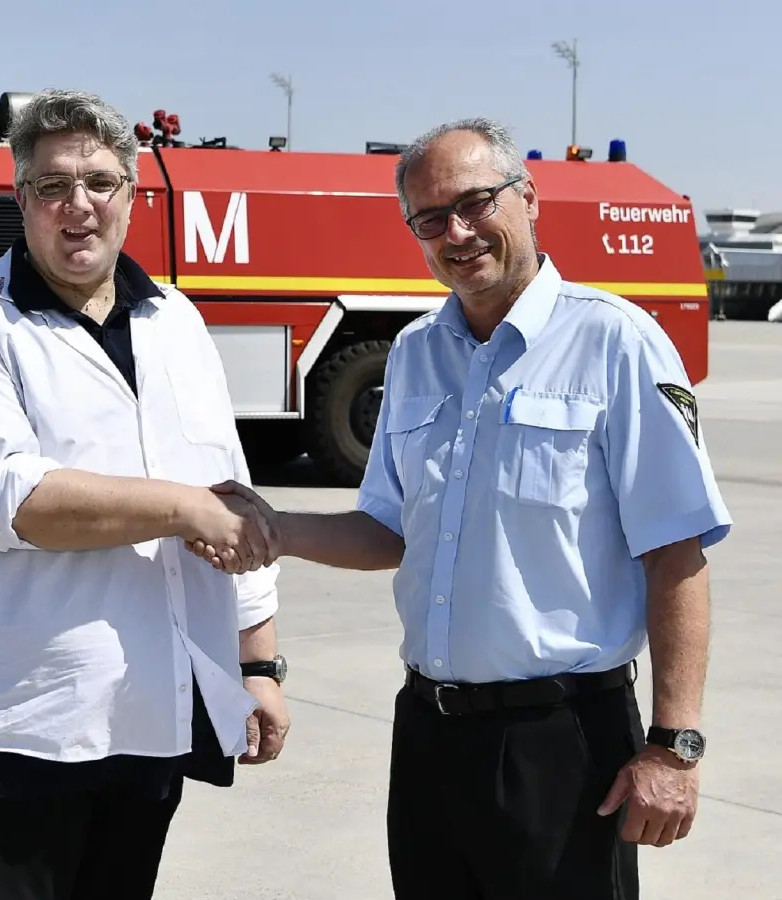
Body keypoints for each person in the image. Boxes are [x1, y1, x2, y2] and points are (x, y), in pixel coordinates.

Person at [194, 117, 731, 899]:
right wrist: (271, 529)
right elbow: (388, 528)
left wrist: (674, 747)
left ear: (529, 197)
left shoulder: (616, 343)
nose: (458, 231)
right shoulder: (414, 353)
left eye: (477, 202)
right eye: (431, 218)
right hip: (429, 735)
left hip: (563, 741)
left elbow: (676, 551)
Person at [0, 88, 289, 900]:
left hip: (150, 714)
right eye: (52, 186)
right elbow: (12, 499)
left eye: (100, 183)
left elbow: (232, 488)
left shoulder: (176, 322)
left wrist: (260, 665)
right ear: (21, 200)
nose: (77, 206)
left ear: (133, 196)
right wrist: (181, 507)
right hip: (19, 724)